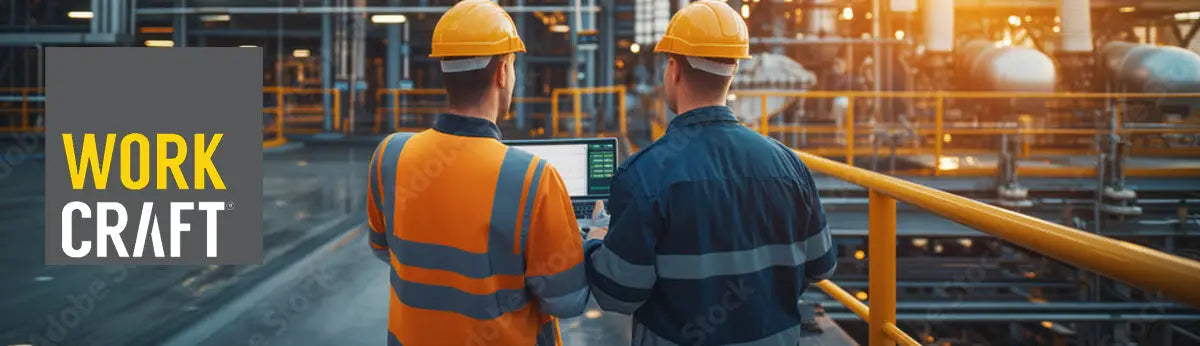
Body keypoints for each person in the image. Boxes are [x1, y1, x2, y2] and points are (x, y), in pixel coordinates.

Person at [582, 1, 837, 345]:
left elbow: (618, 294)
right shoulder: (788, 166)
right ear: (733, 73)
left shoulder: (642, 177)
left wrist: (596, 238)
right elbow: (822, 266)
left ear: (673, 70)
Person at [366, 1, 588, 345]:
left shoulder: (390, 156)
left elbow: (384, 249)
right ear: (501, 73)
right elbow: (567, 300)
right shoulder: (532, 178)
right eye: (512, 66)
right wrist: (590, 240)